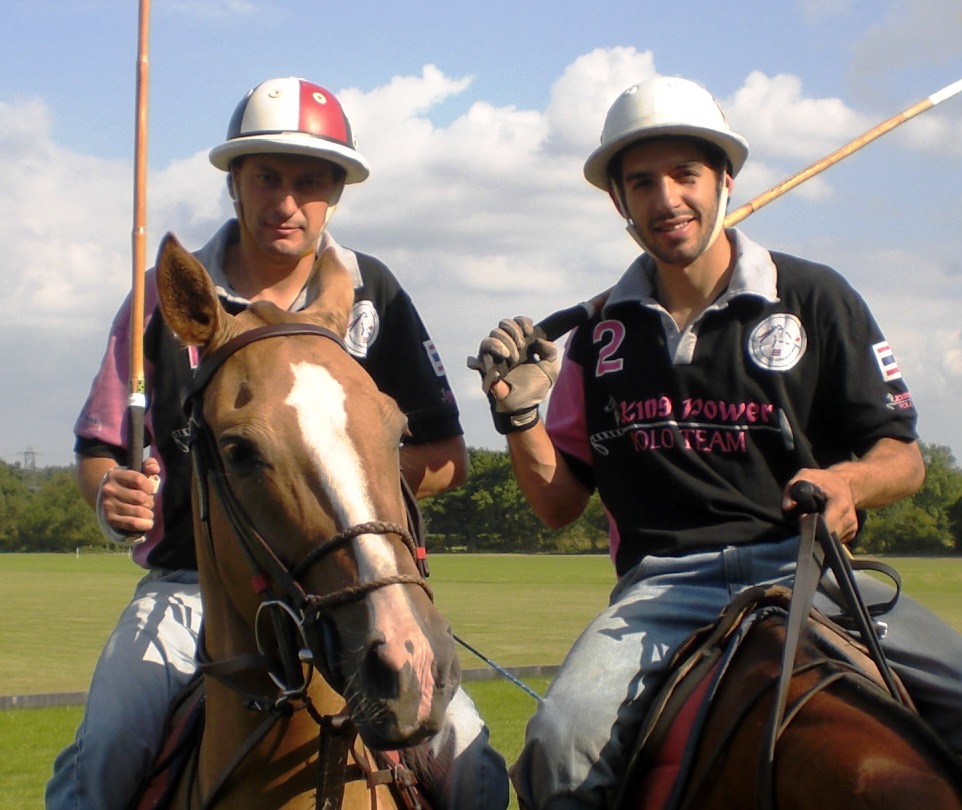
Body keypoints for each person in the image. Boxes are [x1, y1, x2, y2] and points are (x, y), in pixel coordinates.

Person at [470, 75, 962, 809]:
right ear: (619, 202)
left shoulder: (815, 297)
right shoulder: (597, 341)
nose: (665, 197)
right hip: (663, 588)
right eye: (642, 182)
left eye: (685, 174)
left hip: (811, 570)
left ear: (724, 181)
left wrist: (849, 484)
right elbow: (556, 503)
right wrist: (518, 418)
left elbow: (902, 456)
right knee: (555, 751)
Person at [48, 76, 508, 810]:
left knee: (478, 774)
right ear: (235, 183)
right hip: (191, 592)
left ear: (336, 193)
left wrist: (339, 478)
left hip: (354, 583)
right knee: (97, 761)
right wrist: (109, 493)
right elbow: (99, 449)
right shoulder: (165, 301)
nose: (286, 202)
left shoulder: (371, 294)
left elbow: (447, 455)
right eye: (266, 177)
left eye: (309, 181)